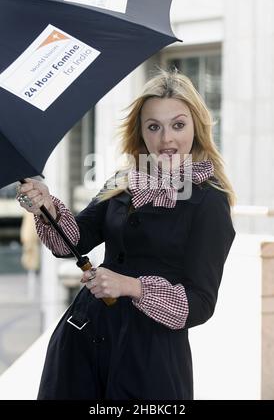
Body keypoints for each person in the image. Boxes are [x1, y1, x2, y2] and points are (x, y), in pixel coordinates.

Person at [17, 70, 236, 400]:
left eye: (178, 125)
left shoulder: (209, 201)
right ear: (141, 131)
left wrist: (130, 286)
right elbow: (71, 243)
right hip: (82, 342)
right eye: (154, 127)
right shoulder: (122, 182)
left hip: (150, 359)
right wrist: (46, 207)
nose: (166, 140)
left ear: (197, 127)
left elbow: (201, 304)